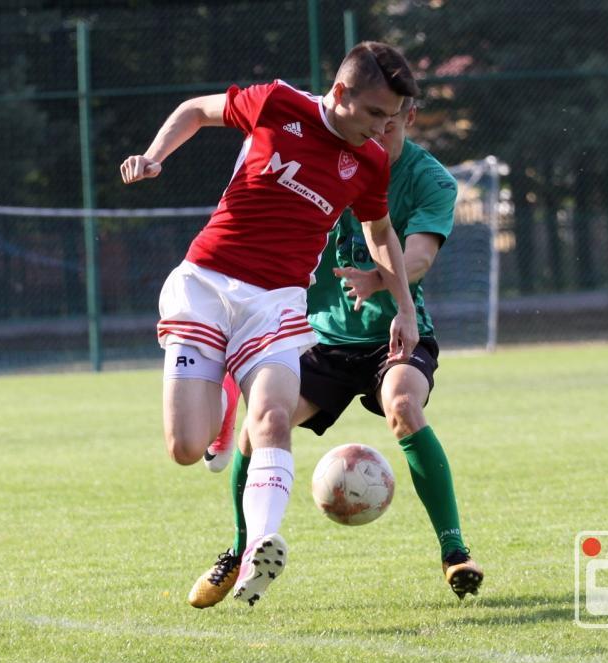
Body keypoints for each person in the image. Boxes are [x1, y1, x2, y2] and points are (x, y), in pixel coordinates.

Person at [120, 42, 421, 607]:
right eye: (376, 113)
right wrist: (155, 157)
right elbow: (194, 110)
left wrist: (404, 307)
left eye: (393, 117)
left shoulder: (371, 161)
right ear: (341, 93)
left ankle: (260, 544)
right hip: (207, 283)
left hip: (277, 302)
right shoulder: (278, 104)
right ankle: (221, 405)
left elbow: (381, 232)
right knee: (185, 448)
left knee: (274, 417)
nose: (384, 128)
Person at [188, 97, 484, 609]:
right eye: (369, 121)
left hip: (394, 334)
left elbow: (419, 254)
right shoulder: (329, 158)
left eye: (387, 124)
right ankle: (241, 549)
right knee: (258, 428)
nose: (375, 134)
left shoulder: (431, 179)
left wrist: (379, 280)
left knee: (403, 405)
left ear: (408, 117)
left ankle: (454, 552)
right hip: (320, 339)